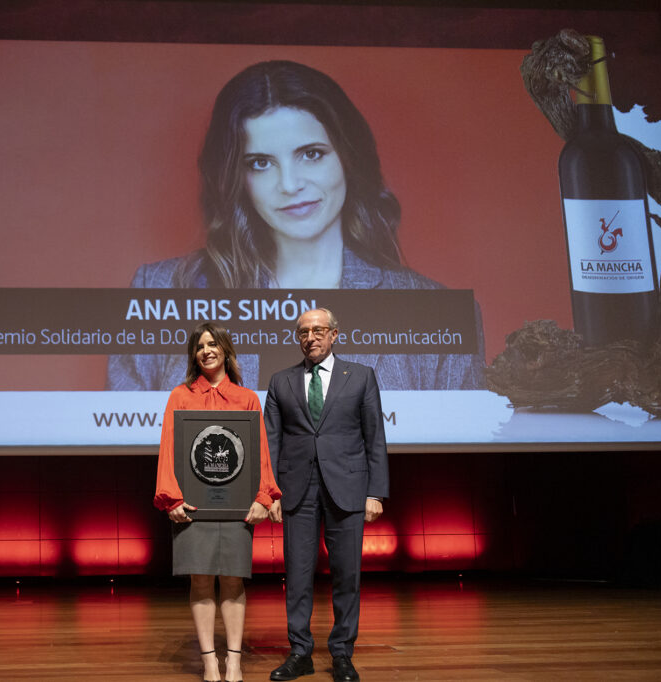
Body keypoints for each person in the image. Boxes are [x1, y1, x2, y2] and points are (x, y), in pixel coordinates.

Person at [107, 59, 484, 392]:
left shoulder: (434, 312)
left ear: (348, 159)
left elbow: (458, 457)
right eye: (260, 162)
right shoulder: (160, 291)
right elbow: (131, 455)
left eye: (311, 154)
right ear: (236, 179)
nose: (289, 184)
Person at [263, 307, 388, 682]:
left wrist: (376, 492)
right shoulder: (280, 381)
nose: (311, 337)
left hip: (348, 489)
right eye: (303, 332)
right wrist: (268, 492)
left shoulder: (361, 376)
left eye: (318, 330)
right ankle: (300, 652)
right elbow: (270, 442)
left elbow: (374, 437)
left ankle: (342, 654)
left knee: (347, 576)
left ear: (335, 334)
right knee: (298, 576)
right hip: (296, 491)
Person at [155, 321, 283, 682]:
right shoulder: (180, 396)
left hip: (237, 507)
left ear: (226, 350)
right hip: (193, 508)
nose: (207, 350)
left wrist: (263, 496)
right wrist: (171, 498)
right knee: (199, 582)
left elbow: (259, 453)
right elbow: (168, 450)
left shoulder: (246, 398)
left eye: (213, 344)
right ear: (194, 355)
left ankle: (234, 661)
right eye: (200, 346)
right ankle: (210, 661)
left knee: (232, 582)